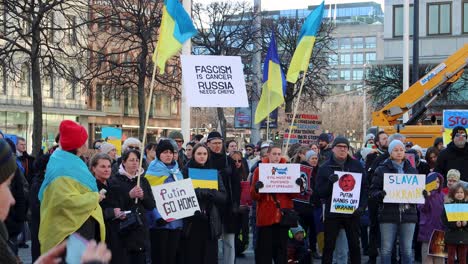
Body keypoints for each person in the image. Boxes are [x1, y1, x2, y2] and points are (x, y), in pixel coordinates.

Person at [39, 120, 106, 254]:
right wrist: (95, 197)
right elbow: (66, 201)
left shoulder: (66, 161)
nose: (86, 145)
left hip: (78, 230)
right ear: (78, 146)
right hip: (70, 233)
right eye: (84, 141)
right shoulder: (62, 167)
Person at [316, 136, 367, 264]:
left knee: (355, 246)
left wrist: (361, 206)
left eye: (345, 147)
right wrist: (329, 183)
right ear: (333, 149)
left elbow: (364, 188)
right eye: (339, 147)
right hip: (333, 214)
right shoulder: (325, 168)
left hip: (352, 213)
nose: (342, 149)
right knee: (329, 246)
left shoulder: (357, 166)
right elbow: (320, 192)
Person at [250, 145, 304, 264]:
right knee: (264, 252)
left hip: (282, 216)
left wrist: (298, 186)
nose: (277, 157)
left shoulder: (288, 169)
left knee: (281, 251)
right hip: (266, 217)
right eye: (274, 154)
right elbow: (254, 197)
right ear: (268, 155)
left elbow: (293, 196)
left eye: (279, 154)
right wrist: (257, 188)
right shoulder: (260, 170)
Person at [370, 140, 418, 264]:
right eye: (396, 150)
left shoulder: (412, 170)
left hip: (408, 214)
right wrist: (380, 194)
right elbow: (373, 191)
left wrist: (421, 193)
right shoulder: (381, 170)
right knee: (386, 250)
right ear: (390, 152)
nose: (399, 152)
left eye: (401, 150)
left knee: (407, 250)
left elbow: (418, 190)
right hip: (387, 214)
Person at [181, 143, 226, 264]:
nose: (202, 156)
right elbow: (182, 194)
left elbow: (223, 196)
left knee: (209, 257)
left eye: (205, 154)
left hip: (210, 221)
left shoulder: (214, 173)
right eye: (199, 153)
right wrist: (199, 192)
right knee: (192, 257)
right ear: (193, 155)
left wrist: (210, 192)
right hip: (192, 222)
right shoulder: (185, 171)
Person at [109, 149, 155, 263]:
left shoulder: (143, 181)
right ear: (124, 162)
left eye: (137, 160)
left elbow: (151, 205)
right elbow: (114, 204)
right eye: (131, 160)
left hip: (141, 229)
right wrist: (129, 195)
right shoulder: (115, 180)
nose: (135, 163)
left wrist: (143, 197)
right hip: (124, 229)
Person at [144, 139, 183, 264]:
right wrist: (157, 217)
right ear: (159, 154)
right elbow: (148, 198)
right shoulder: (151, 173)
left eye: (171, 152)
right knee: (159, 257)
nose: (168, 155)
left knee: (172, 257)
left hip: (176, 223)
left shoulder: (177, 172)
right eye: (165, 152)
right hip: (159, 224)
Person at [89, 153, 126, 264]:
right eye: (103, 167)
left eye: (109, 166)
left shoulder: (113, 184)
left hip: (116, 235)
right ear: (93, 168)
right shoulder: (90, 187)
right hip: (99, 236)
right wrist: (110, 213)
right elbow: (89, 211)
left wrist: (122, 213)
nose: (107, 170)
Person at [417, 172, 445, 264]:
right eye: (433, 182)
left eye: (438, 182)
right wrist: (427, 198)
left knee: (439, 259)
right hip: (427, 230)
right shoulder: (423, 195)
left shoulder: (443, 196)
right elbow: (422, 208)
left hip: (439, 230)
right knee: (427, 258)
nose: (436, 184)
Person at [29, 154, 51, 262]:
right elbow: (36, 208)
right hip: (40, 226)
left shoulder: (49, 182)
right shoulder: (38, 184)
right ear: (45, 168)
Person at [441, 183, 468, 264]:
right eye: (457, 192)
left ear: (465, 193)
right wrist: (455, 224)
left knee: (463, 257)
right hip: (451, 235)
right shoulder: (449, 205)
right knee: (450, 257)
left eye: (461, 192)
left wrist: (466, 223)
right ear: (453, 194)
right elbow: (444, 219)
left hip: (464, 235)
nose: (459, 194)